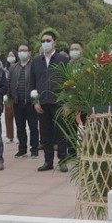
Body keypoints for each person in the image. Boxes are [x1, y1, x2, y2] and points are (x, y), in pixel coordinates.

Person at [28, 29, 70, 172]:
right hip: (42, 103)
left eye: (48, 41)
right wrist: (35, 102)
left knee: (61, 133)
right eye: (43, 41)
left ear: (54, 42)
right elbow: (32, 83)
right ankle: (48, 161)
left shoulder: (63, 60)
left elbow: (68, 83)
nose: (45, 43)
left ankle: (63, 161)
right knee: (45, 134)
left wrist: (67, 102)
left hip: (59, 102)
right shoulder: (36, 62)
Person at [7, 42, 39, 158]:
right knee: (20, 127)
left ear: (29, 52)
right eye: (20, 50)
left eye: (24, 50)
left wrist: (37, 101)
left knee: (33, 127)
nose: (22, 52)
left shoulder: (34, 65)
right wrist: (9, 99)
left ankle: (34, 149)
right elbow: (9, 83)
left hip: (30, 102)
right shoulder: (13, 67)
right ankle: (22, 149)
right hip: (17, 102)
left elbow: (38, 83)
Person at [3, 50, 17, 143]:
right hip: (7, 96)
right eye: (9, 55)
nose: (10, 57)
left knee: (19, 117)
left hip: (17, 95)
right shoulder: (4, 70)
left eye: (12, 55)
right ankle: (10, 136)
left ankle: (20, 137)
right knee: (8, 116)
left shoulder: (19, 67)